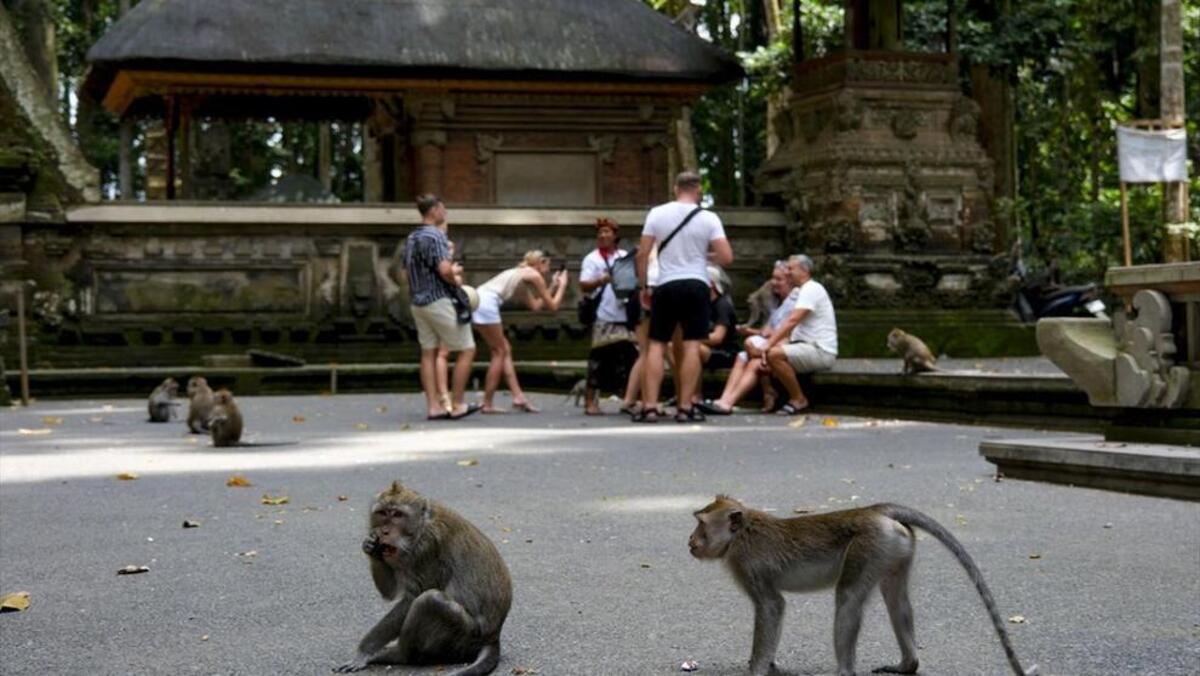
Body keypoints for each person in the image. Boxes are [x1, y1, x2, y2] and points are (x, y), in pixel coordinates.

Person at [634, 171, 733, 423]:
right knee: (691, 345)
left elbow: (642, 254)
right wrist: (703, 256)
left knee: (656, 343)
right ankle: (686, 406)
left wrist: (644, 286)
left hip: (666, 284)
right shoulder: (709, 218)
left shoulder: (657, 213)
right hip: (697, 284)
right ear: (698, 189)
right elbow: (727, 258)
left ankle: (649, 407)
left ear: (675, 187)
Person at [405, 195, 479, 420]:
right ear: (434, 211)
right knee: (467, 348)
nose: (445, 212)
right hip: (438, 299)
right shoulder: (435, 235)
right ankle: (457, 404)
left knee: (428, 352)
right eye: (443, 209)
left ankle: (433, 407)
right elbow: (445, 270)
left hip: (418, 302)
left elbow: (404, 271)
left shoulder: (412, 237)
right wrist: (455, 279)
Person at [472, 250, 568, 413]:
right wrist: (563, 286)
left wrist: (553, 286)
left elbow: (535, 306)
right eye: (548, 265)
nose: (548, 270)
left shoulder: (521, 275)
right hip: (486, 303)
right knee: (499, 351)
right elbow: (553, 307)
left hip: (478, 299)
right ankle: (487, 403)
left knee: (505, 348)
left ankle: (518, 397)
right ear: (541, 262)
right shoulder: (533, 275)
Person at [698, 261, 796, 414]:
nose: (773, 283)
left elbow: (789, 333)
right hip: (770, 345)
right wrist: (751, 331)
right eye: (773, 278)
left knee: (753, 358)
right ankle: (723, 399)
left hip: (785, 347)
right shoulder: (778, 303)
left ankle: (729, 402)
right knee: (743, 356)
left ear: (790, 281)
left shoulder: (795, 302)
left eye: (779, 279)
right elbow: (766, 332)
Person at [758, 254, 838, 414]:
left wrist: (769, 344)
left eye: (790, 269)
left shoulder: (811, 289)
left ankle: (798, 399)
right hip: (805, 346)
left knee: (773, 354)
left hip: (820, 350)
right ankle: (772, 395)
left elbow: (792, 320)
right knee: (763, 358)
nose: (787, 273)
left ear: (804, 270)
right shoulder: (801, 290)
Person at [579, 218, 639, 415]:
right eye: (600, 233)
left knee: (631, 358)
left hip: (625, 314)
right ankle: (590, 401)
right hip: (604, 314)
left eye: (607, 232)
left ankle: (630, 399)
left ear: (615, 235)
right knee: (599, 359)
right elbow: (584, 285)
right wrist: (601, 279)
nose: (603, 236)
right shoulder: (592, 259)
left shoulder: (624, 256)